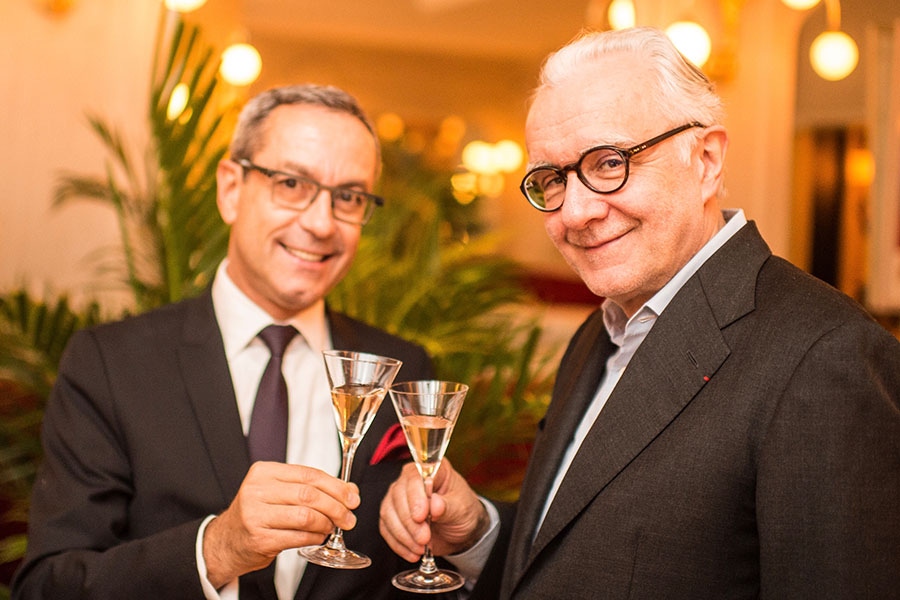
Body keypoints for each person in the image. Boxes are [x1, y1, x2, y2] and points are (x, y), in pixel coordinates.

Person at [379, 26, 900, 599]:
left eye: (609, 163)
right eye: (552, 179)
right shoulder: (602, 329)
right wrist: (480, 531)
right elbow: (584, 554)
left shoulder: (827, 357)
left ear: (705, 159)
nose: (575, 213)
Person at [12, 84, 436, 600]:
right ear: (230, 188)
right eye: (292, 183)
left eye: (347, 197)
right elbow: (47, 587)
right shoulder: (111, 363)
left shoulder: (403, 367)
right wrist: (215, 550)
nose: (322, 223)